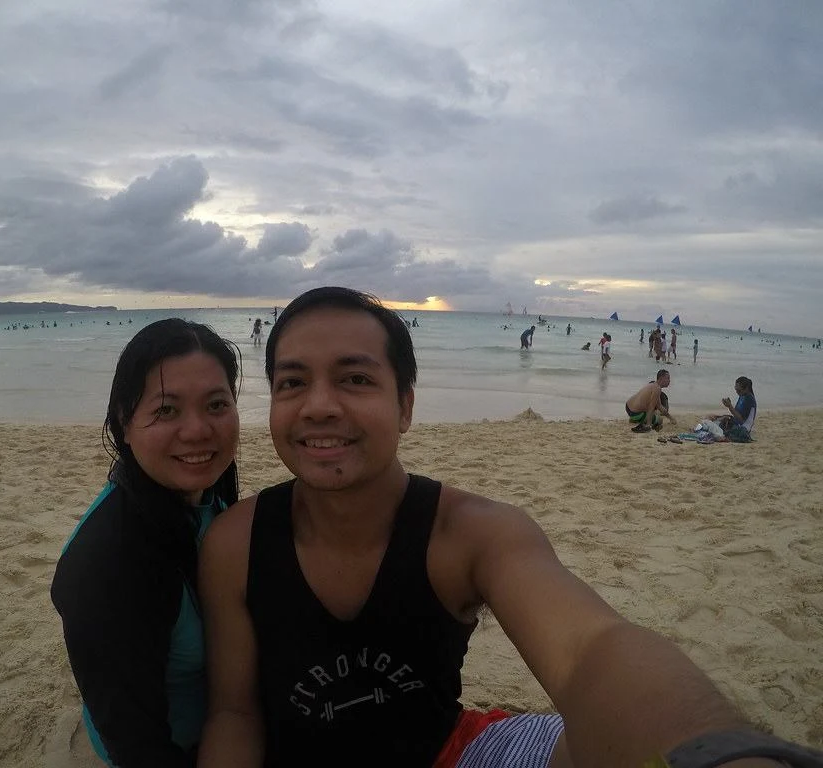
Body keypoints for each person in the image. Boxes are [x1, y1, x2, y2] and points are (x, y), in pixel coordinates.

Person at [196, 288, 821, 768]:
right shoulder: (237, 543)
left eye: (356, 379)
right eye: (292, 383)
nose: (320, 405)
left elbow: (590, 651)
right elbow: (233, 711)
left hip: (450, 753)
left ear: (406, 405)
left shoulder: (473, 533)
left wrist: (716, 751)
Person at [51, 318, 241, 767]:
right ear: (125, 420)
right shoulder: (109, 565)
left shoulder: (206, 489)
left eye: (216, 405)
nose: (198, 431)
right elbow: (134, 741)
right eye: (167, 410)